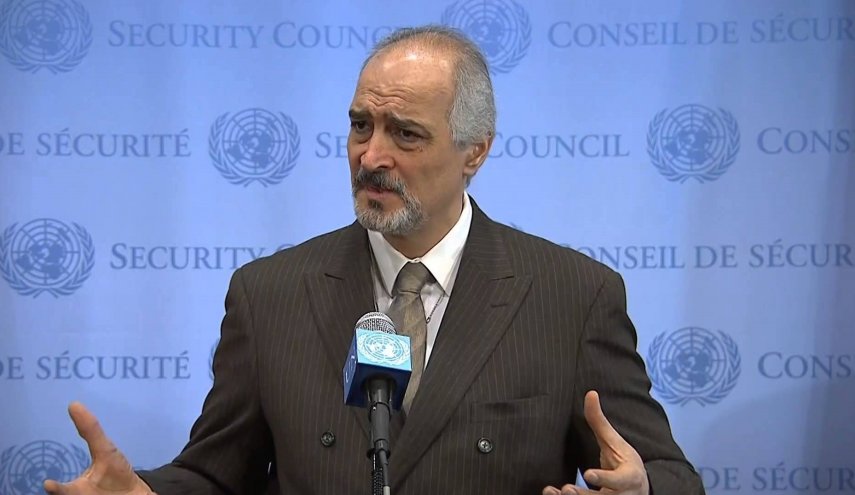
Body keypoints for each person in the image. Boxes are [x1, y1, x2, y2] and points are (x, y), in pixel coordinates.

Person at [44, 25, 704, 495]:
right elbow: (216, 473)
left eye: (405, 134)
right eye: (361, 124)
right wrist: (147, 492)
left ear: (474, 151)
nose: (370, 156)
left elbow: (669, 474)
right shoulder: (269, 294)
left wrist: (644, 488)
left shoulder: (571, 297)